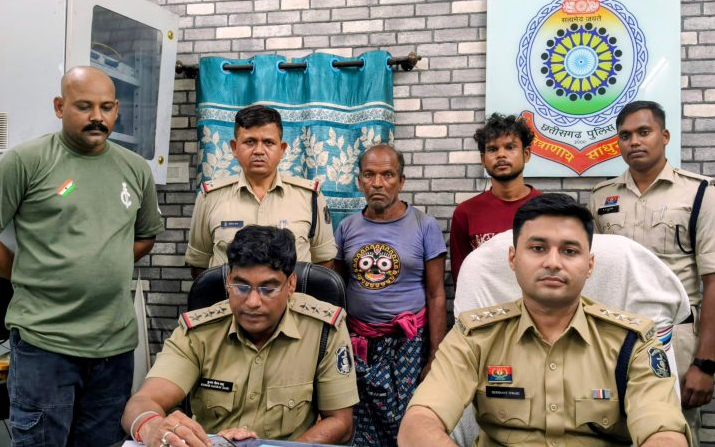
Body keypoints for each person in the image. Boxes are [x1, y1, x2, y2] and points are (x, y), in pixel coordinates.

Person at [398, 193, 690, 447]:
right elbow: (419, 424)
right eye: (538, 248)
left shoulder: (632, 342)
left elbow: (664, 434)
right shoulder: (473, 337)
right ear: (513, 259)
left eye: (569, 251)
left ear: (589, 265)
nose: (552, 262)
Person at [0, 66, 164, 445]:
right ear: (59, 106)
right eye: (84, 106)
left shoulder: (135, 169)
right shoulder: (25, 162)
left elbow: (145, 235)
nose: (97, 116)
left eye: (106, 107)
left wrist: (105, 262)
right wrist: (25, 272)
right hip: (45, 345)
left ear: (117, 109)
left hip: (113, 347)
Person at [123, 225, 358, 446]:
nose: (253, 302)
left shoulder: (323, 329)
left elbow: (341, 422)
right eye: (241, 287)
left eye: (268, 288)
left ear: (291, 285)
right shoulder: (199, 332)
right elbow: (143, 401)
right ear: (228, 281)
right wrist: (151, 427)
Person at [588, 100, 715, 445]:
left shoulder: (699, 192)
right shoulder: (601, 197)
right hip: (613, 333)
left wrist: (705, 363)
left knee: (671, 428)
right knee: (609, 427)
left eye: (644, 132)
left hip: (672, 335)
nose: (634, 141)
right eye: (625, 135)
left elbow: (714, 281)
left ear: (664, 136)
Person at [334, 144, 447, 447]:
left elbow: (436, 294)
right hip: (358, 344)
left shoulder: (424, 226)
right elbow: (337, 290)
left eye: (387, 174)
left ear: (401, 180)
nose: (378, 183)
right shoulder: (347, 228)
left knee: (406, 422)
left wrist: (435, 355)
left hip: (408, 345)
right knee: (360, 424)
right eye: (369, 175)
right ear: (359, 181)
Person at [186, 104, 337, 278]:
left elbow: (324, 262)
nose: (259, 151)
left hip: (293, 295)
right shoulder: (210, 198)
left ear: (282, 149)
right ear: (234, 148)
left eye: (268, 142)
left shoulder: (309, 197)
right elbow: (199, 265)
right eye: (250, 142)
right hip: (228, 296)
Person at [450, 113, 541, 284]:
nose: (501, 155)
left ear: (526, 154)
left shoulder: (549, 209)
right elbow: (462, 277)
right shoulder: (465, 212)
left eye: (510, 147)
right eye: (492, 149)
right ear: (483, 159)